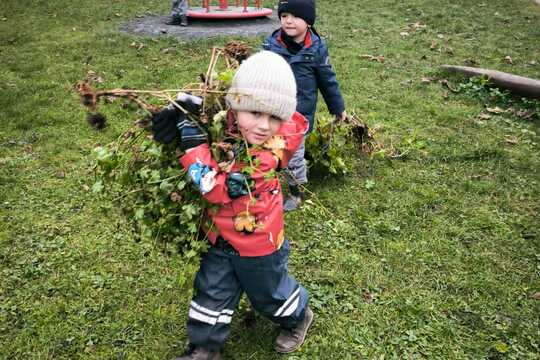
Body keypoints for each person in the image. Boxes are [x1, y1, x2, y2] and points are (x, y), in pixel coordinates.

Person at [151, 51, 313, 360]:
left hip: (258, 243)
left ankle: (298, 316)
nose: (264, 126)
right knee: (211, 291)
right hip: (221, 237)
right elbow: (204, 108)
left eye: (275, 118)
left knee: (269, 295)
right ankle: (205, 348)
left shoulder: (266, 159)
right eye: (254, 112)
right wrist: (183, 111)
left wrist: (192, 145)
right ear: (234, 106)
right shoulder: (226, 123)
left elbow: (213, 187)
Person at [263, 0, 346, 211]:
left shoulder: (316, 49)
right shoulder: (270, 45)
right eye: (284, 16)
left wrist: (337, 107)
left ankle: (296, 192)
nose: (288, 21)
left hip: (299, 117)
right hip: (273, 110)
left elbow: (328, 81)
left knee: (293, 155)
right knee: (269, 148)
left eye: (295, 16)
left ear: (308, 21)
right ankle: (265, 182)